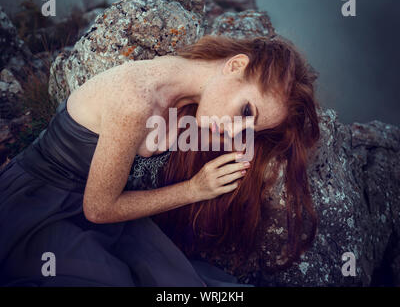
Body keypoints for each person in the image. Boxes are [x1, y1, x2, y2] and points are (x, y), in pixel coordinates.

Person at [0, 35, 320, 286]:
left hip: (110, 214)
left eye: (250, 127)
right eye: (246, 112)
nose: (236, 131)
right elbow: (97, 209)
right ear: (235, 65)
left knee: (178, 284)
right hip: (43, 207)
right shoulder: (136, 100)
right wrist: (194, 190)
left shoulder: (186, 90)